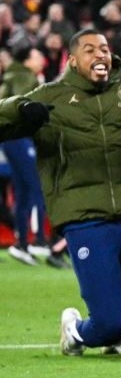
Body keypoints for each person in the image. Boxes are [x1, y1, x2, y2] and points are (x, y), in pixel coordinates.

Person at [0, 29, 121, 355]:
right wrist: (21, 110)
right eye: (90, 50)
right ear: (72, 60)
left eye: (104, 48)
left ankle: (118, 331)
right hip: (85, 218)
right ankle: (75, 329)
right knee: (105, 326)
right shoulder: (51, 96)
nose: (100, 55)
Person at [0, 44, 49, 265]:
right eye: (37, 54)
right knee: (36, 187)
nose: (41, 58)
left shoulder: (14, 75)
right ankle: (38, 240)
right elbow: (24, 106)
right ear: (27, 59)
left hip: (11, 138)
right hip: (19, 136)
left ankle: (22, 244)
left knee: (22, 191)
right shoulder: (23, 77)